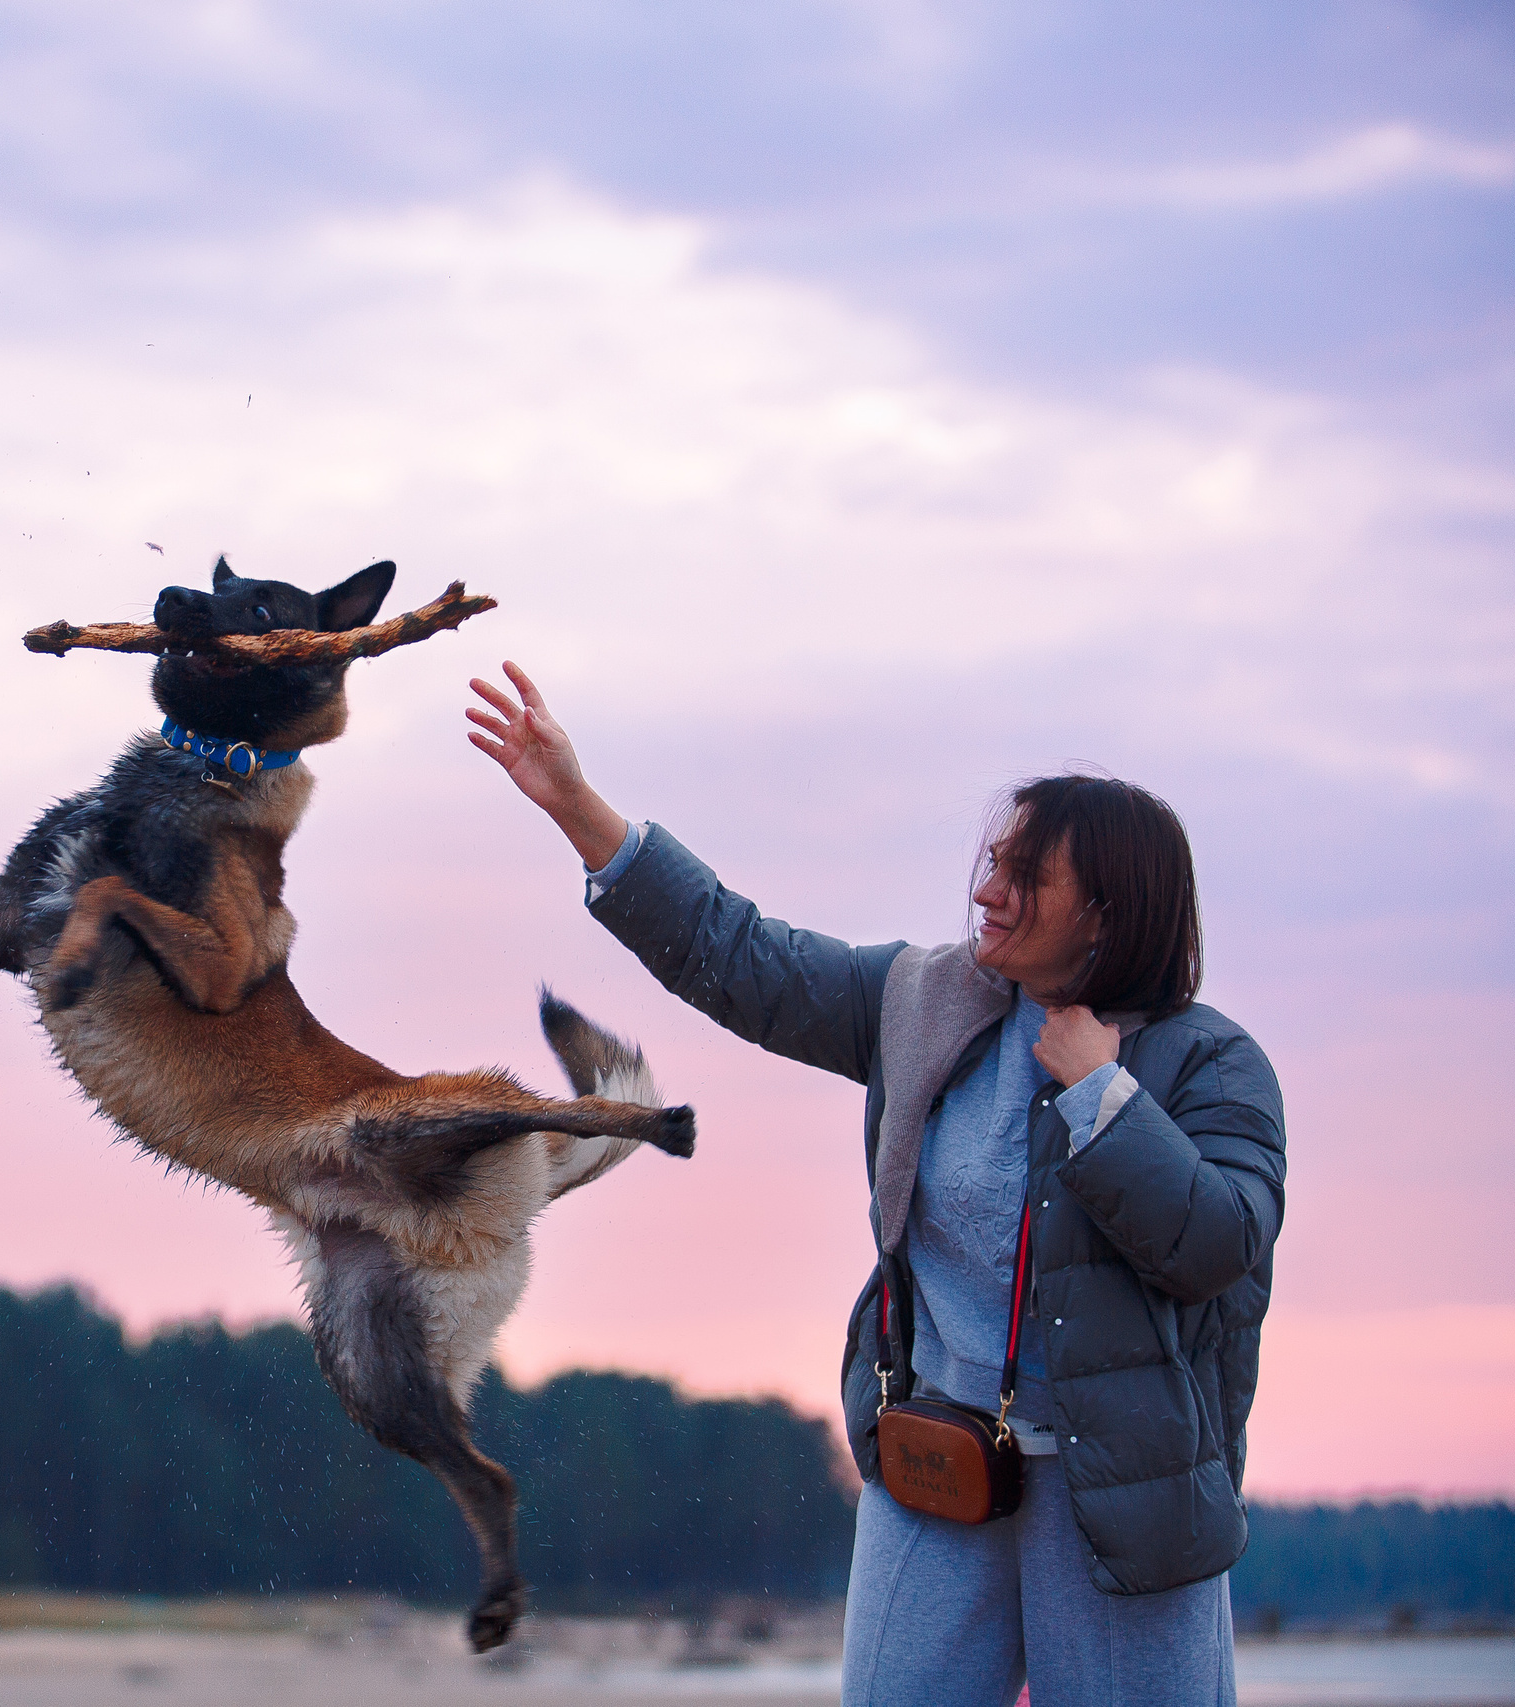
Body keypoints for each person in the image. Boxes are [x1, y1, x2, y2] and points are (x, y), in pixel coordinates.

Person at [466, 662, 1284, 1707]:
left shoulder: (1211, 1065)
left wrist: (1101, 1098)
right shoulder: (921, 1002)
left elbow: (1218, 1244)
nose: (988, 889)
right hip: (933, 1468)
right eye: (992, 861)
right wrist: (578, 809)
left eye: (1027, 875)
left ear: (1105, 913)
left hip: (1121, 1500)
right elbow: (739, 957)